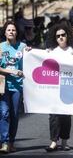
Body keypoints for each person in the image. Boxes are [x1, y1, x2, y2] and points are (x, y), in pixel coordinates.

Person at [44, 22, 73, 152]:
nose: (61, 37)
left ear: (67, 36)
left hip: (69, 87)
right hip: (55, 87)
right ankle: (53, 141)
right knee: (54, 115)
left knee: (66, 116)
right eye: (58, 36)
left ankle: (64, 142)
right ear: (55, 38)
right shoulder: (52, 52)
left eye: (63, 35)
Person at [0, 21, 27, 153]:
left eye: (13, 30)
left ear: (16, 33)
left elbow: (31, 62)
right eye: (8, 30)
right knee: (4, 113)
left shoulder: (23, 46)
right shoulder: (0, 47)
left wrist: (31, 53)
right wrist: (12, 71)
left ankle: (11, 142)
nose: (11, 32)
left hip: (17, 86)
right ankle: (4, 142)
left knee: (14, 115)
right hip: (3, 86)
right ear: (5, 32)